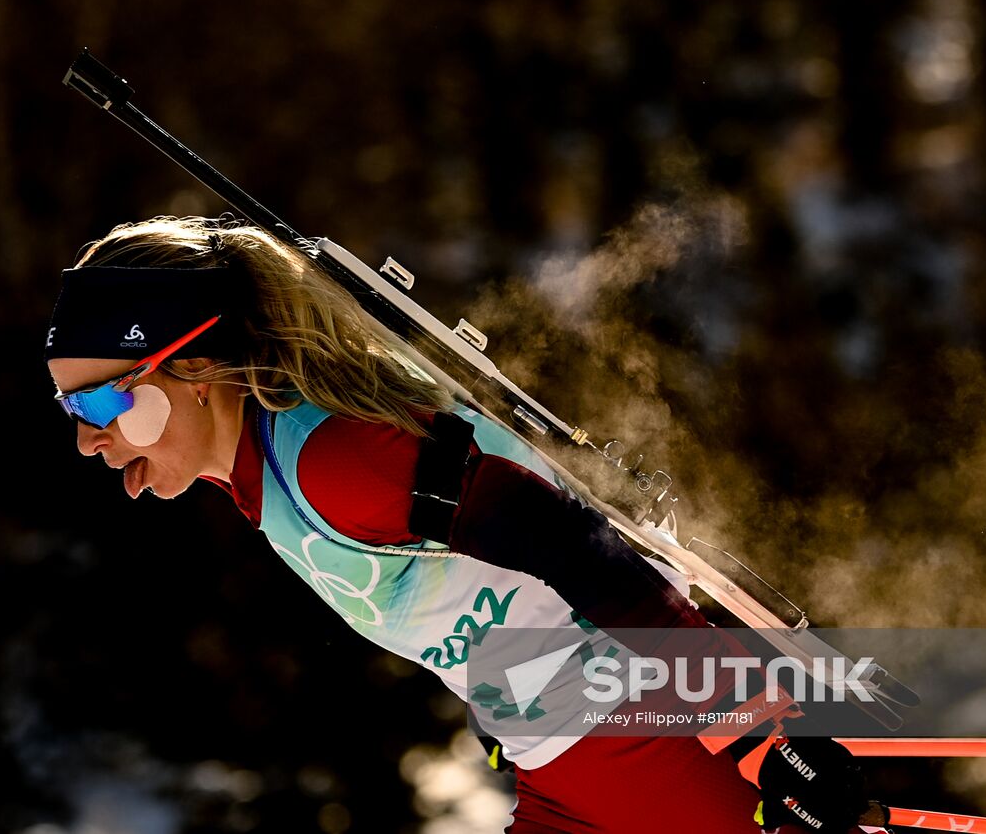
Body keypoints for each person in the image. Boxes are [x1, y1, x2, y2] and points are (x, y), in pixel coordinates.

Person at [43, 216, 883, 833]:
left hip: (645, 742)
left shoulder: (331, 458)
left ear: (194, 366)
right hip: (566, 765)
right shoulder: (260, 471)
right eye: (69, 409)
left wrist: (761, 731)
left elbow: (567, 541)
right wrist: (496, 691)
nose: (86, 438)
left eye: (100, 401)